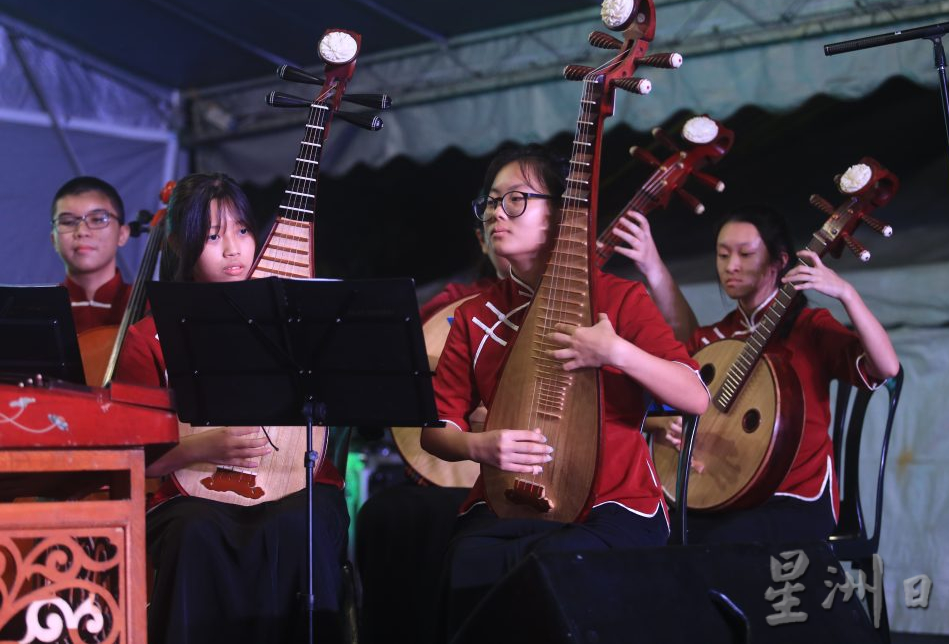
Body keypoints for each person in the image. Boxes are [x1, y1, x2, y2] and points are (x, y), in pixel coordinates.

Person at [421, 145, 711, 637]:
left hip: (613, 503)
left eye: (515, 200)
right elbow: (435, 429)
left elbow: (695, 396)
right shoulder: (474, 315)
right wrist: (479, 445)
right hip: (505, 500)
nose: (496, 213)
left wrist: (617, 352)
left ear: (562, 217)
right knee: (469, 558)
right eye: (490, 202)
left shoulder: (618, 298)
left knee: (559, 562)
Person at [114, 173, 348, 644]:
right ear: (181, 242)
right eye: (213, 236)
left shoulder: (295, 318)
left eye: (242, 230)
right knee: (192, 531)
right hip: (188, 495)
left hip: (297, 485)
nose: (234, 250)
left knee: (299, 525)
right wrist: (200, 446)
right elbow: (130, 458)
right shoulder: (147, 340)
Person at [619, 204, 899, 543]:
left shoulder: (810, 328)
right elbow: (657, 396)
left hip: (791, 497)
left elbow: (886, 367)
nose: (731, 266)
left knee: (704, 545)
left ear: (780, 262)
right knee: (647, 537)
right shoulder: (715, 337)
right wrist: (667, 424)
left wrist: (846, 294)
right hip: (714, 494)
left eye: (746, 254)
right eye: (723, 255)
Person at [355, 222, 508, 644]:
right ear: (480, 238)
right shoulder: (455, 304)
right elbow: (401, 357)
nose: (503, 227)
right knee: (386, 515)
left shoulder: (567, 304)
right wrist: (455, 362)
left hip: (526, 476)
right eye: (494, 212)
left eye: (520, 204)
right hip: (448, 469)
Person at [50, 176, 132, 332]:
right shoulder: (38, 308)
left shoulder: (149, 306)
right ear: (53, 239)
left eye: (98, 219)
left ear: (122, 234)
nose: (81, 232)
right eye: (67, 222)